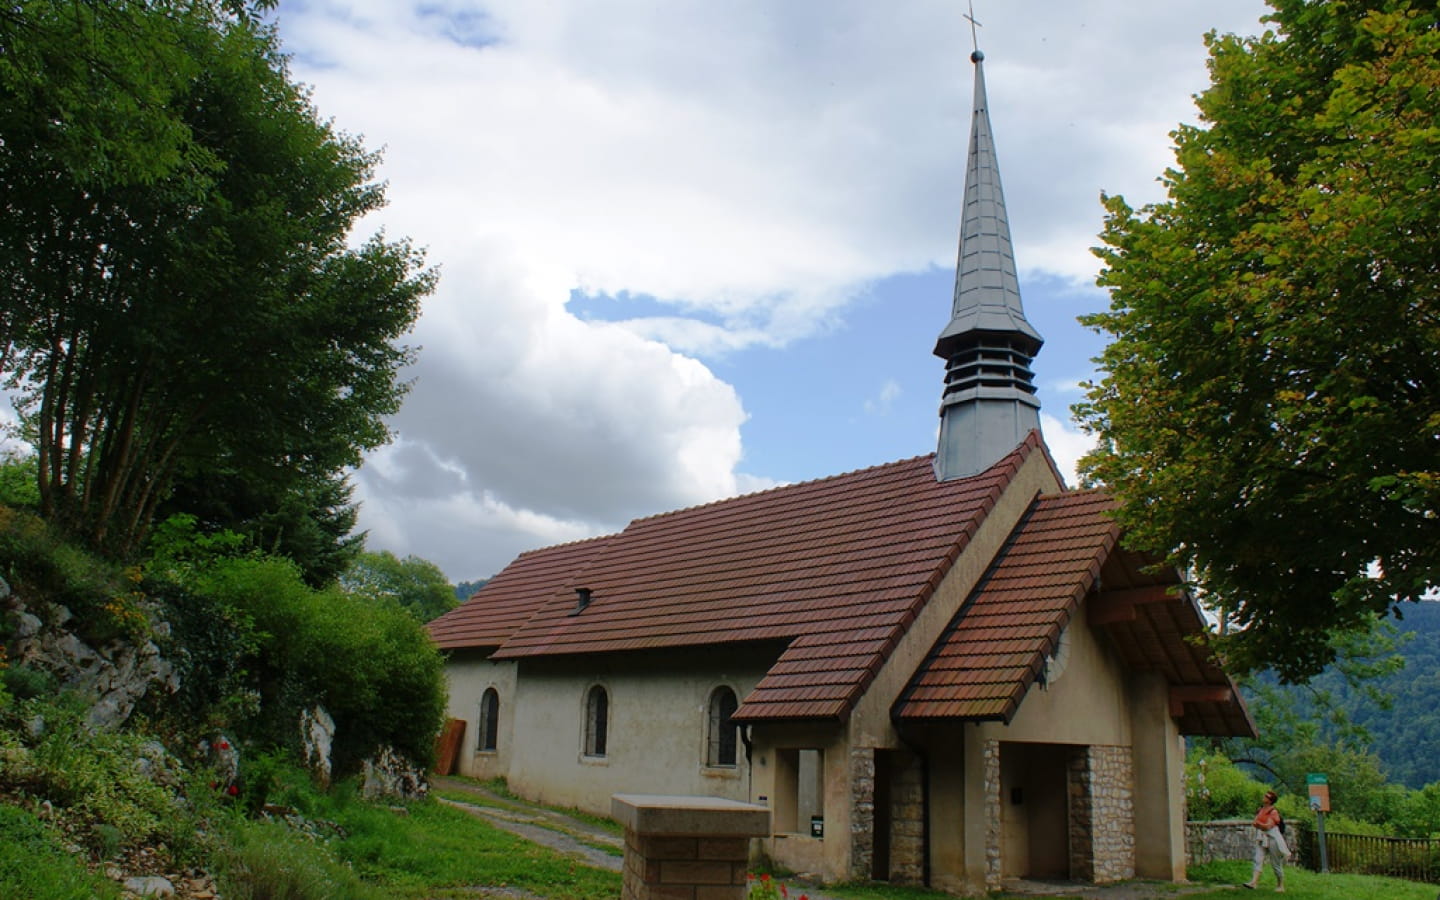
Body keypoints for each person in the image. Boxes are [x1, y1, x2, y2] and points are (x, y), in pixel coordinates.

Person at [1244, 790, 1287, 892]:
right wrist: (1258, 824)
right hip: (1262, 837)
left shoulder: (1273, 812)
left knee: (1275, 863)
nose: (1264, 797)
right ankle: (1253, 882)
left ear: (1270, 800)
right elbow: (1256, 822)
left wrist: (1259, 824)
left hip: (1272, 837)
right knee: (1258, 859)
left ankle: (1280, 885)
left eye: (1266, 796)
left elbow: (1268, 826)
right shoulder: (1261, 810)